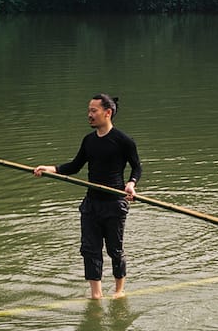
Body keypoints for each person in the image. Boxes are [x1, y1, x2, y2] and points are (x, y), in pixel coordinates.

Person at [34, 94, 142, 298]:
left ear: (107, 113)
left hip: (114, 203)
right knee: (90, 250)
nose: (89, 115)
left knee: (114, 250)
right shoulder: (89, 141)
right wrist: (51, 168)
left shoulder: (123, 141)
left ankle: (119, 291)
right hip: (91, 205)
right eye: (89, 110)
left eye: (94, 111)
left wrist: (131, 184)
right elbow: (74, 166)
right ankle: (96, 295)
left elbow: (137, 167)